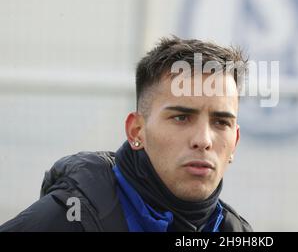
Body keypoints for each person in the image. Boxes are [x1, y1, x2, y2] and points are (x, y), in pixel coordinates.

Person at [0, 36, 252, 232]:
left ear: (235, 142)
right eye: (181, 118)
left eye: (221, 122)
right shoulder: (71, 218)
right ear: (136, 130)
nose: (203, 140)